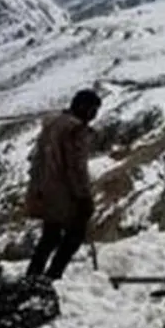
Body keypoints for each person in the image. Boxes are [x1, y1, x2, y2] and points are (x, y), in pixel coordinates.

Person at [24, 89, 101, 283]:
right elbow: (76, 167)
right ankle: (52, 277)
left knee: (50, 235)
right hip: (65, 193)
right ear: (84, 108)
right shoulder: (75, 130)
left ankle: (33, 276)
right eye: (93, 110)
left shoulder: (53, 124)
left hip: (44, 189)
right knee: (74, 234)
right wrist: (84, 197)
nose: (94, 115)